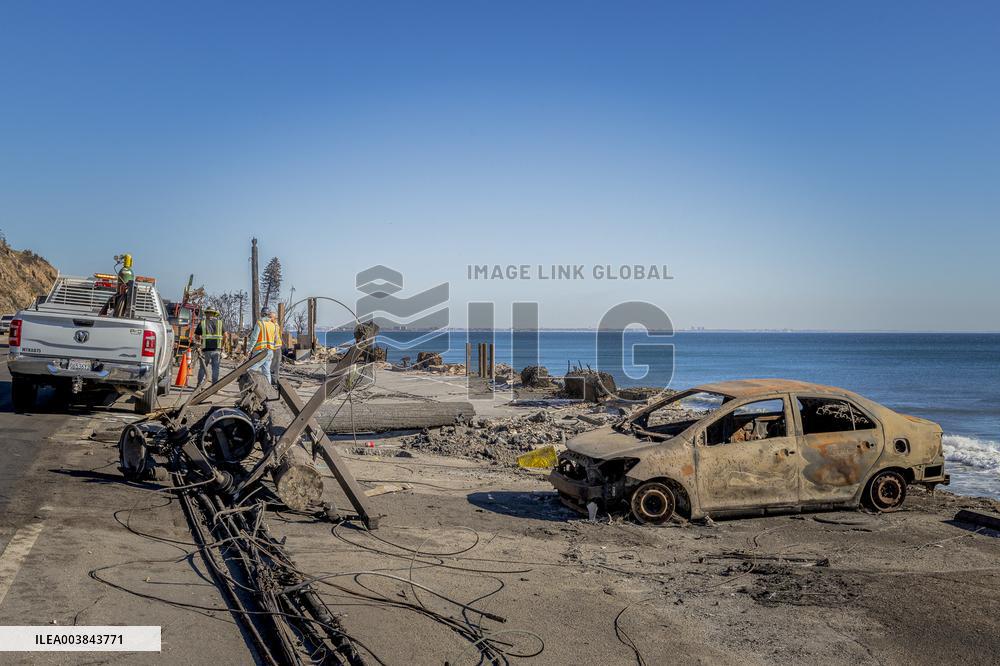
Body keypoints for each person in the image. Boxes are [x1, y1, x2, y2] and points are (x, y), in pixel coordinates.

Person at [249, 308, 280, 383]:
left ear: (262, 314)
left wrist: (249, 349)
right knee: (266, 372)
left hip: (261, 351)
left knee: (251, 370)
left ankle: (249, 388)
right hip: (270, 352)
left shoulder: (260, 323)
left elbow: (254, 338)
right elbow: (276, 338)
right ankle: (268, 390)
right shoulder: (273, 325)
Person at [195, 308, 224, 385]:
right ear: (214, 314)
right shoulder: (220, 323)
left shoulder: (202, 323)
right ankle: (214, 386)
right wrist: (222, 347)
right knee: (215, 368)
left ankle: (199, 385)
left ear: (206, 313)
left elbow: (197, 336)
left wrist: (200, 341)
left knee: (203, 368)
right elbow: (226, 336)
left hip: (205, 350)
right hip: (217, 350)